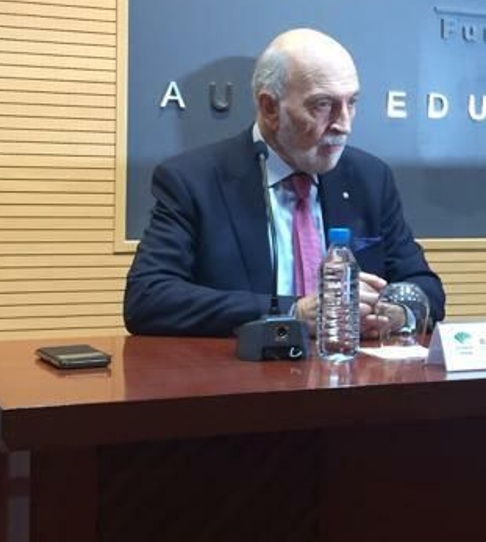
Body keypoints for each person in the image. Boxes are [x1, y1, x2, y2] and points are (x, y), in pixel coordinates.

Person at [125, 27, 445, 337]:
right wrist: (291, 313)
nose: (343, 124)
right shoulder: (192, 180)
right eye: (323, 105)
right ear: (269, 108)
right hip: (241, 381)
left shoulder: (370, 178)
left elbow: (427, 289)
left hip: (353, 378)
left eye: (352, 102)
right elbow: (148, 298)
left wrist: (398, 312)